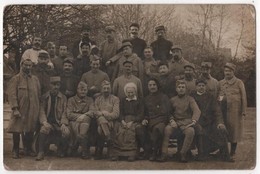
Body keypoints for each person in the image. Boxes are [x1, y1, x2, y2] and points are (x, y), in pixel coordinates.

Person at [190, 79, 234, 162]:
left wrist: (220, 123)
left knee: (221, 129)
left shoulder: (210, 97)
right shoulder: (192, 96)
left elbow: (217, 111)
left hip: (210, 122)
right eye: (199, 86)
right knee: (199, 130)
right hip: (197, 122)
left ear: (205, 87)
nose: (201, 87)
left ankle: (225, 155)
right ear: (196, 87)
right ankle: (201, 154)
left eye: (203, 86)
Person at [159, 80, 201, 163]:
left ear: (186, 89)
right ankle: (164, 153)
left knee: (191, 131)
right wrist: (171, 120)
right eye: (179, 87)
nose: (181, 89)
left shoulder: (190, 99)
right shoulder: (172, 100)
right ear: (176, 89)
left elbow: (197, 111)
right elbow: (168, 112)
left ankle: (183, 153)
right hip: (175, 122)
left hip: (186, 122)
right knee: (167, 130)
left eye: (183, 87)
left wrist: (193, 121)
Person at [7, 59, 41, 159]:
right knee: (17, 129)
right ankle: (15, 150)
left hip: (33, 108)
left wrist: (37, 108)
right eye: (26, 65)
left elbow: (38, 94)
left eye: (30, 65)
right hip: (20, 109)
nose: (28, 67)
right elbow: (12, 95)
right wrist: (15, 108)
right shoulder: (15, 79)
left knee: (30, 129)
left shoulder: (35, 79)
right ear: (21, 65)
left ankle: (28, 149)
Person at [35, 76, 70, 161]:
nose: (56, 87)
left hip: (58, 122)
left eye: (57, 85)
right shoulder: (44, 97)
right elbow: (41, 111)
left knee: (66, 132)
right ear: (49, 85)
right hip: (48, 122)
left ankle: (61, 149)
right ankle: (41, 152)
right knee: (44, 129)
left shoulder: (63, 98)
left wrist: (63, 123)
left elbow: (65, 112)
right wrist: (44, 122)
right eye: (53, 85)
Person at [219, 62, 247, 159]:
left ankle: (233, 152)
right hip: (223, 111)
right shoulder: (220, 83)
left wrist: (243, 110)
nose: (227, 73)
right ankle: (223, 151)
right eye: (226, 71)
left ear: (233, 72)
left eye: (229, 71)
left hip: (235, 111)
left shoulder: (239, 82)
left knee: (234, 131)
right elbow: (219, 96)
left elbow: (243, 97)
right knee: (224, 130)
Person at [112, 83, 145, 161]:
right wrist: (122, 121)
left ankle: (131, 154)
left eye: (132, 92)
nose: (130, 94)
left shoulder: (139, 101)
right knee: (120, 131)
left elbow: (141, 114)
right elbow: (120, 113)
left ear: (135, 92)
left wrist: (132, 121)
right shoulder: (123, 100)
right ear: (126, 92)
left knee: (130, 132)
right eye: (128, 92)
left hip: (135, 120)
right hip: (124, 119)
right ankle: (118, 154)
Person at [142, 78, 172, 161]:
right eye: (150, 85)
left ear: (157, 86)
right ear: (147, 87)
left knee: (157, 129)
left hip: (161, 121)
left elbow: (167, 112)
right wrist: (145, 119)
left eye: (154, 85)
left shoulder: (164, 97)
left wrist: (156, 120)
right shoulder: (146, 99)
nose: (152, 87)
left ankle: (155, 152)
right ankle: (147, 151)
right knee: (141, 128)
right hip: (150, 120)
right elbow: (145, 113)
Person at [67, 81, 95, 159]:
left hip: (86, 122)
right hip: (74, 122)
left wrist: (83, 116)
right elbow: (69, 114)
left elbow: (92, 111)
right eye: (81, 89)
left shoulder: (90, 100)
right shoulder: (71, 100)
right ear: (77, 90)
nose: (83, 92)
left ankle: (84, 151)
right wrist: (79, 117)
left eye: (85, 90)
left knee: (86, 120)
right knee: (76, 125)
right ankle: (76, 146)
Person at [93, 80, 120, 160]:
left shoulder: (115, 99)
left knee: (100, 128)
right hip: (99, 121)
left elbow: (116, 114)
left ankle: (99, 151)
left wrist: (104, 113)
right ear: (101, 89)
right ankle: (109, 139)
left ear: (111, 89)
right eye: (104, 88)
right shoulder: (97, 99)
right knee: (100, 120)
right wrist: (101, 115)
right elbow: (95, 112)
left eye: (108, 88)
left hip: (111, 122)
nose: (106, 90)